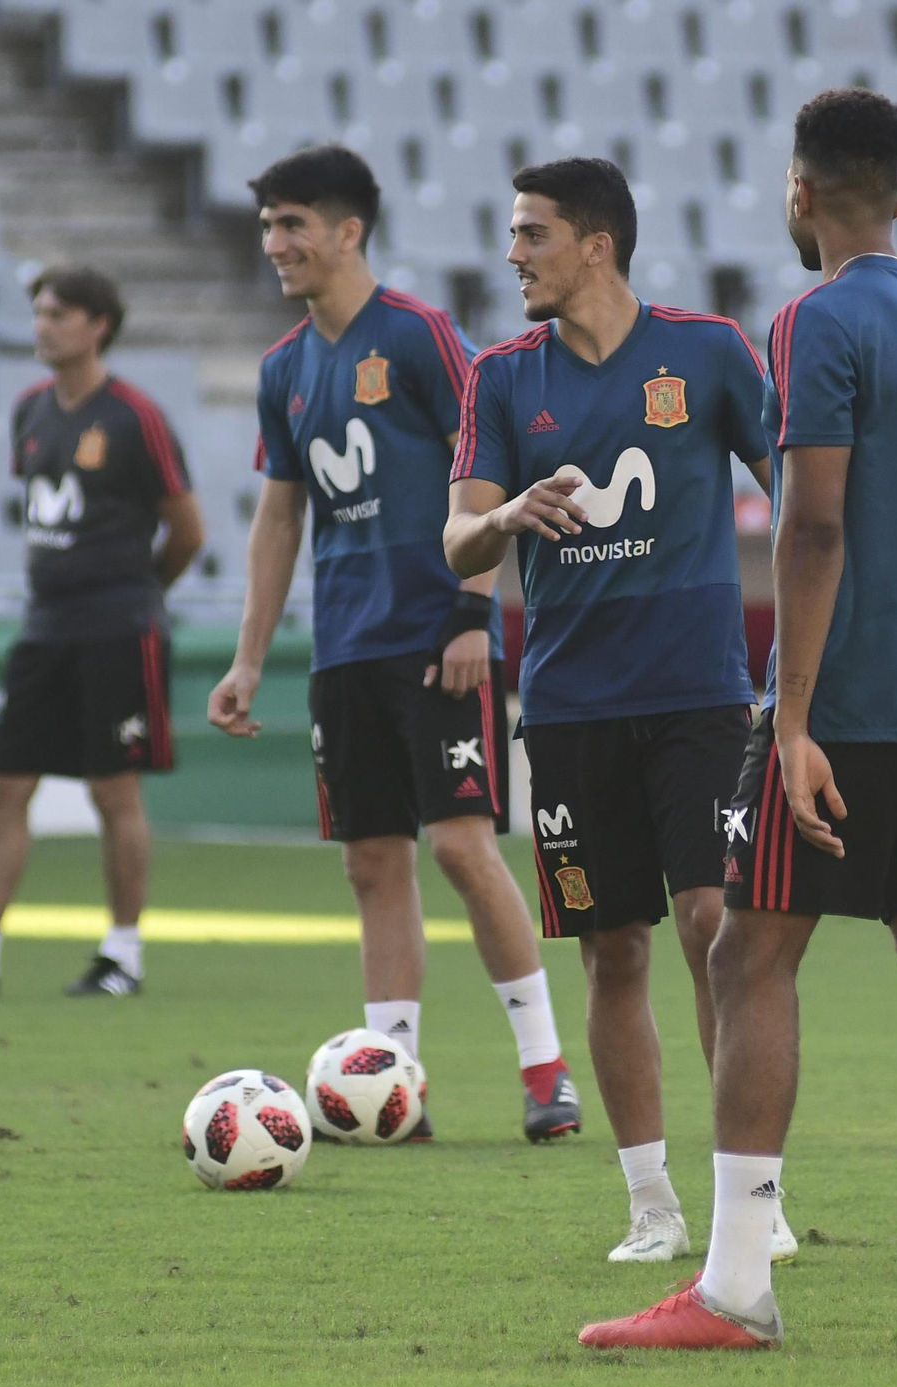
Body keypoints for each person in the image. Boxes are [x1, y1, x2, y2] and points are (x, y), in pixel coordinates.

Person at [578, 87, 897, 1349]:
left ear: (798, 192)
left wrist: (787, 720)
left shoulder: (816, 321)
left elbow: (814, 519)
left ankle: (733, 1287)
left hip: (847, 702)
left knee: (746, 955)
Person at [444, 157, 795, 1263]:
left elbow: (798, 485)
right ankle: (651, 1205)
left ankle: (751, 1198)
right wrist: (506, 513)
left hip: (698, 696)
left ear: (596, 246)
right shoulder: (502, 379)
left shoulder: (706, 352)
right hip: (571, 705)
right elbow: (455, 547)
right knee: (612, 950)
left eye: (530, 235)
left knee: (716, 931)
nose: (513, 256)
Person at [206, 145, 581, 1143]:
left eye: (291, 224)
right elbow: (279, 519)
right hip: (345, 649)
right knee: (372, 864)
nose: (275, 244)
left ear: (347, 231)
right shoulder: (284, 368)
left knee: (461, 846)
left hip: (435, 634)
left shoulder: (418, 335)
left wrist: (472, 611)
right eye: (268, 227)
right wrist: (249, 657)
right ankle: (393, 1085)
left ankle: (545, 1069)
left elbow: (490, 460)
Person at [0, 267, 204, 1000]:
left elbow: (186, 529)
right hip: (44, 626)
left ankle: (122, 954)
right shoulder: (30, 411)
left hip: (117, 628)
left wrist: (139, 595)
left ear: (98, 324)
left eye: (57, 314)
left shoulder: (134, 417)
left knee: (112, 788)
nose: (42, 326)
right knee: (2, 783)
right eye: (37, 313)